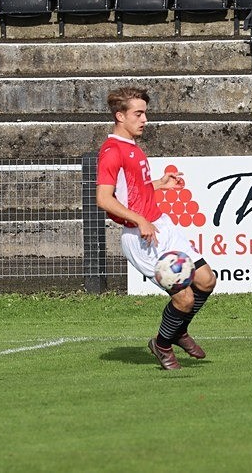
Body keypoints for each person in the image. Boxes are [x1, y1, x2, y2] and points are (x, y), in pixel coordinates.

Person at [95, 87, 217, 369]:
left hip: (160, 225)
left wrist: (160, 183)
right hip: (141, 237)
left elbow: (133, 191)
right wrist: (139, 220)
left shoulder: (133, 148)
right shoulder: (112, 151)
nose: (144, 119)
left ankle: (176, 331)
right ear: (120, 116)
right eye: (138, 113)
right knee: (184, 298)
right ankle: (162, 344)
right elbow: (103, 198)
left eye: (145, 113)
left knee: (206, 280)